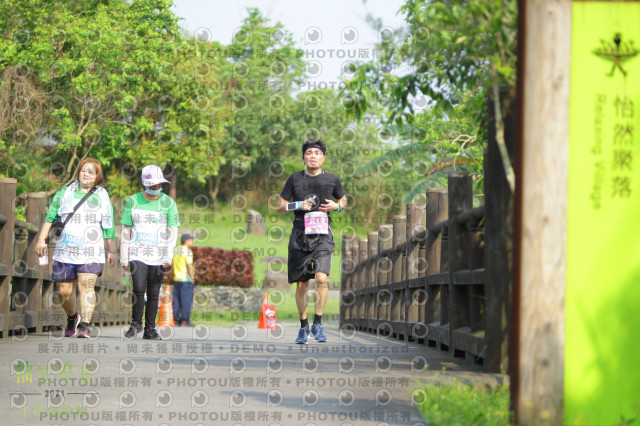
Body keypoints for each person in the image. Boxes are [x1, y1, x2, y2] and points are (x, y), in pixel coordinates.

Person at [35, 158, 116, 338]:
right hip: (65, 250)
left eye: (91, 172)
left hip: (91, 251)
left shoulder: (102, 196)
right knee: (64, 291)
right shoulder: (65, 193)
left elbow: (108, 226)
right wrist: (41, 239)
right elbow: (50, 217)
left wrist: (111, 251)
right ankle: (73, 317)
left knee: (86, 286)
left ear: (97, 177)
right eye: (83, 170)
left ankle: (85, 325)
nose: (85, 174)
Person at [276, 138, 346, 344]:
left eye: (317, 153)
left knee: (322, 278)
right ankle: (304, 326)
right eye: (309, 153)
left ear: (323, 158)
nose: (313, 156)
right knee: (302, 284)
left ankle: (318, 323)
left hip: (323, 234)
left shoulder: (332, 180)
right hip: (300, 236)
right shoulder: (294, 179)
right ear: (303, 158)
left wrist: (337, 207)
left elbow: (343, 199)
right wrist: (298, 205)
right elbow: (280, 205)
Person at [120, 165, 179, 340]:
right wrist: (124, 256)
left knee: (154, 292)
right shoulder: (133, 201)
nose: (155, 188)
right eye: (152, 185)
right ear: (145, 184)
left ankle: (150, 329)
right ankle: (135, 323)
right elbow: (126, 229)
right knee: (138, 287)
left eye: (158, 185)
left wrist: (169, 255)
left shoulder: (169, 203)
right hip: (137, 252)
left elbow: (172, 231)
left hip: (159, 254)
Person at [172, 233, 195, 327]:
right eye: (191, 240)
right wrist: (192, 277)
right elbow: (189, 265)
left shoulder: (176, 250)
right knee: (186, 300)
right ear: (186, 241)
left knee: (176, 300)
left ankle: (176, 320)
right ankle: (185, 320)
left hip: (176, 278)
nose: (192, 241)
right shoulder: (187, 251)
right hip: (186, 279)